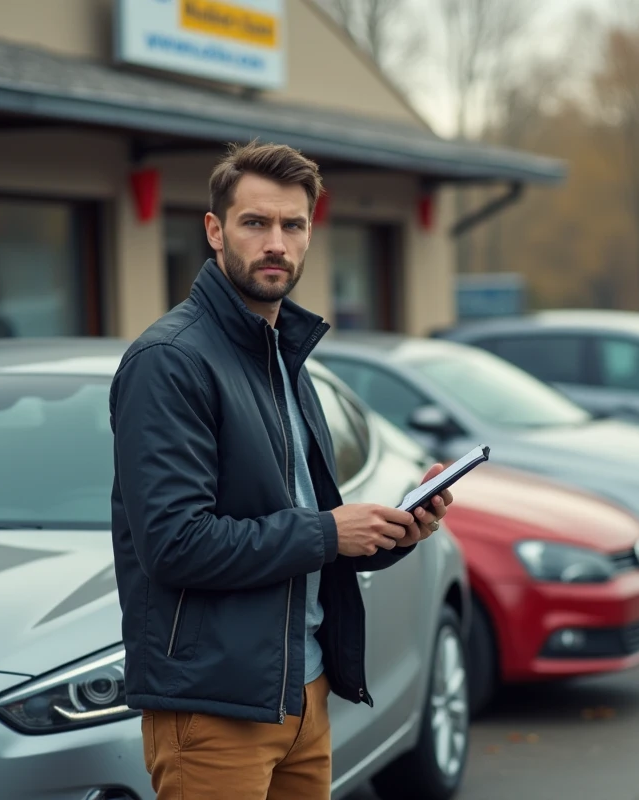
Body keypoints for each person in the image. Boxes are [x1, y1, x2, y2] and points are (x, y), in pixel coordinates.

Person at [109, 140, 452, 799]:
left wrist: (391, 532)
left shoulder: (285, 361)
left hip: (302, 692)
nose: (277, 243)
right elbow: (175, 544)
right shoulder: (171, 361)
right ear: (214, 230)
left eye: (293, 225)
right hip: (213, 708)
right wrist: (329, 532)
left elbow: (301, 533)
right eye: (255, 223)